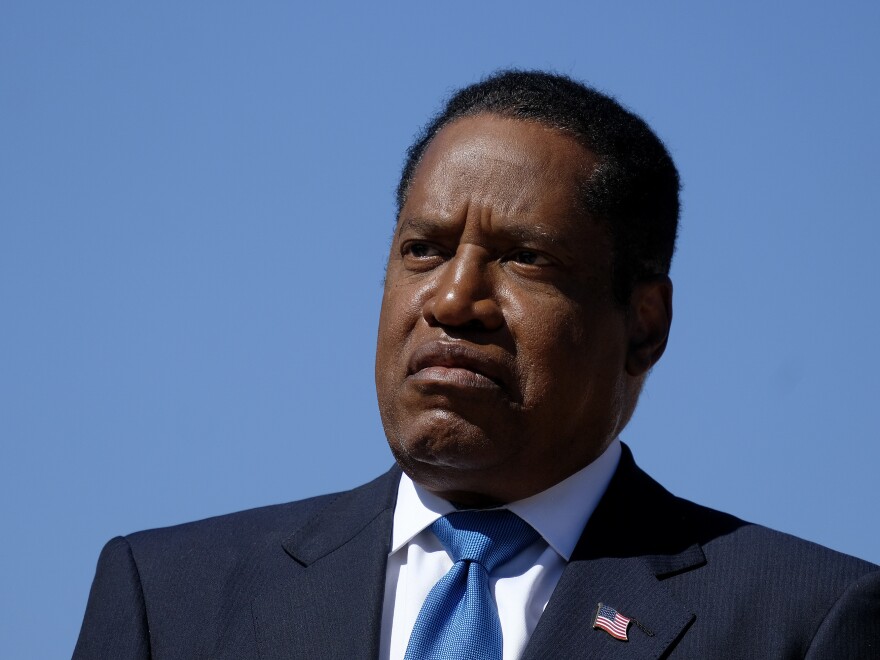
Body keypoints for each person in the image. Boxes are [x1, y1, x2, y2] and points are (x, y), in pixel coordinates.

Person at [74, 70, 880, 659]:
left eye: (525, 259)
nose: (454, 300)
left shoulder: (806, 621)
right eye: (422, 250)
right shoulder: (167, 597)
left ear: (644, 324)